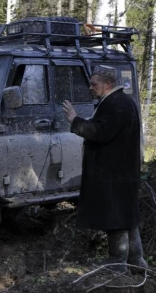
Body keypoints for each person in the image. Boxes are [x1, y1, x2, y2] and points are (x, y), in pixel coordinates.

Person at [62, 65, 147, 273]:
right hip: (122, 171)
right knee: (128, 216)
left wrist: (75, 120)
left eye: (94, 84)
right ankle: (137, 262)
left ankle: (118, 262)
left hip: (114, 173)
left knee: (116, 216)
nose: (90, 88)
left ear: (107, 84)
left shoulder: (116, 104)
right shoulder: (122, 102)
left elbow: (101, 132)